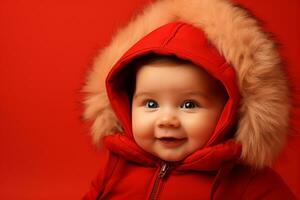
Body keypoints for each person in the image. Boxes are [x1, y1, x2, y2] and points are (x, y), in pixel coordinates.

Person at [82, 0, 296, 199]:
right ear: (127, 104)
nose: (166, 120)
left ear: (228, 113)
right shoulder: (118, 168)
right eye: (151, 104)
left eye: (189, 105)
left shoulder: (247, 181)